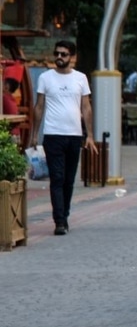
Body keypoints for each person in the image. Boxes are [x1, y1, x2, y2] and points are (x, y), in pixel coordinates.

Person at [30, 40, 98, 236]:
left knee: (68, 180)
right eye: (57, 53)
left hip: (74, 135)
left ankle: (65, 214)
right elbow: (39, 106)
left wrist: (90, 136)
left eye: (64, 54)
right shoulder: (45, 77)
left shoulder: (81, 78)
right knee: (57, 178)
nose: (59, 57)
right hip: (53, 134)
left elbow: (86, 107)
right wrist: (35, 134)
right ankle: (59, 221)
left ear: (72, 57)